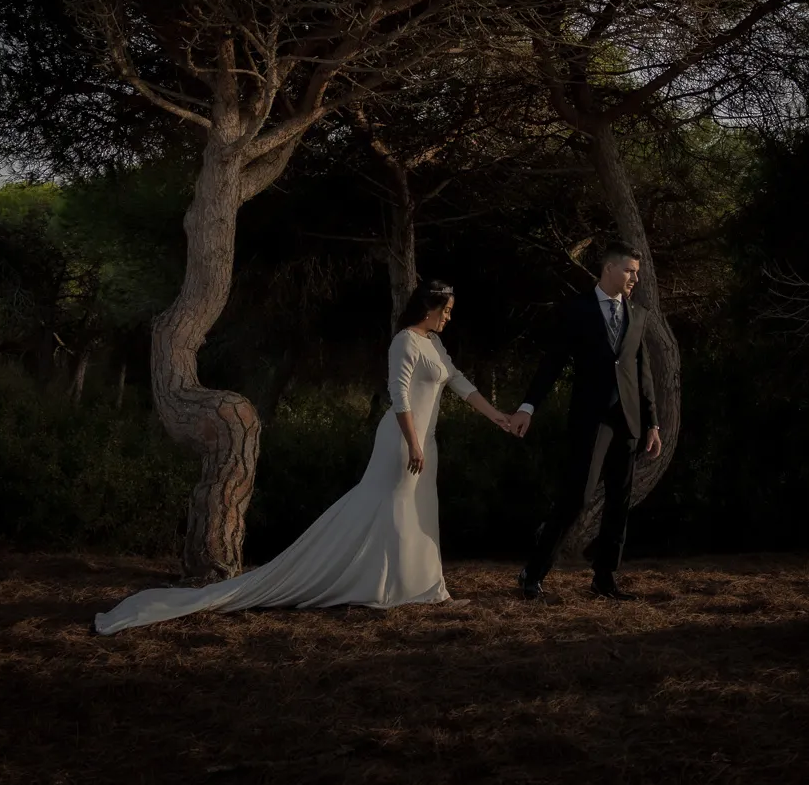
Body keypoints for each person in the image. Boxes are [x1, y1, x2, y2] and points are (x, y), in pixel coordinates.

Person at [94, 279, 516, 634]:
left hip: (427, 440)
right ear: (428, 307)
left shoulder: (435, 345)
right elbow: (400, 396)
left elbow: (459, 383)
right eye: (446, 309)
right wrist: (414, 442)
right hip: (404, 439)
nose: (449, 317)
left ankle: (416, 583)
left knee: (414, 508)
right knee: (390, 505)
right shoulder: (404, 341)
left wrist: (498, 417)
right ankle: (383, 584)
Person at [512, 241, 660, 601]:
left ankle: (605, 579)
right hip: (590, 419)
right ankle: (533, 572)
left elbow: (643, 373)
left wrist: (652, 422)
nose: (634, 279)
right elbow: (552, 364)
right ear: (608, 269)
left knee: (619, 501)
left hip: (628, 419)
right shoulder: (575, 310)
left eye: (637, 273)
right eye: (629, 270)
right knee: (576, 496)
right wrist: (528, 406)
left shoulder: (637, 315)